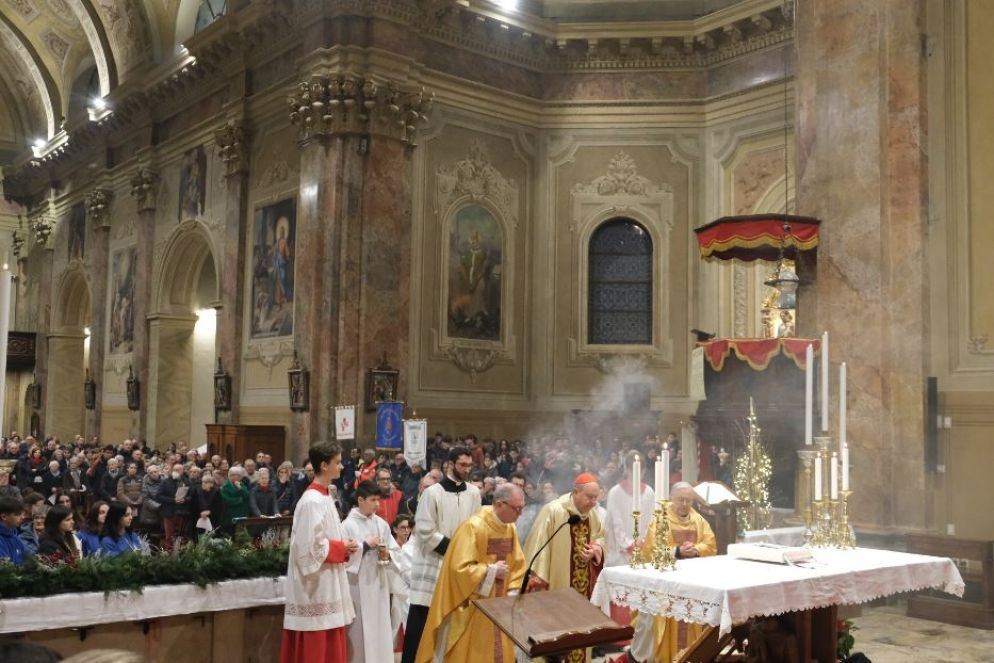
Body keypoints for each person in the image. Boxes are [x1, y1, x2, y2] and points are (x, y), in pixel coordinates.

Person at [415, 483, 527, 663]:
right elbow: (458, 570)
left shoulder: (510, 528)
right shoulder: (473, 527)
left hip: (501, 606)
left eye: (522, 508)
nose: (520, 514)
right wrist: (489, 571)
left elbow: (518, 564)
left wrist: (513, 589)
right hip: (475, 608)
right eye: (517, 509)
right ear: (500, 504)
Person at [281, 441, 359, 663]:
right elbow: (307, 548)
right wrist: (340, 547)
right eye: (338, 462)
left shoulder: (325, 496)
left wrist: (344, 545)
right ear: (324, 466)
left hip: (327, 580)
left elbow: (325, 536)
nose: (342, 467)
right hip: (315, 586)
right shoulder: (311, 501)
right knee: (317, 645)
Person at [401, 447, 481, 663]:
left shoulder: (474, 493)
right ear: (451, 464)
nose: (466, 469)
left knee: (451, 620)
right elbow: (425, 530)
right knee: (423, 619)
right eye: (462, 464)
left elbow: (476, 526)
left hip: (458, 565)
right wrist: (454, 549)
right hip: (433, 562)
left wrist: (464, 553)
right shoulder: (432, 493)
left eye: (469, 465)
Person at [628, 482, 717, 663]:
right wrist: (677, 551)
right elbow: (651, 551)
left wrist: (696, 549)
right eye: (681, 499)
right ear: (671, 499)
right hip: (666, 586)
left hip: (690, 586)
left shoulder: (698, 520)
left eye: (689, 500)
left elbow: (711, 546)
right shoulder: (660, 520)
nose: (685, 504)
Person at [522, 473, 606, 663]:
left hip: (583, 592)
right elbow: (538, 547)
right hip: (557, 590)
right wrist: (539, 581)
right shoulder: (553, 511)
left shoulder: (592, 514)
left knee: (581, 635)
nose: (594, 502)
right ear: (576, 492)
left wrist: (596, 550)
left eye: (596, 497)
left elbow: (601, 537)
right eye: (590, 497)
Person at [342, 480, 400, 663]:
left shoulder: (381, 524)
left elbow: (396, 551)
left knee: (380, 628)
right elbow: (343, 557)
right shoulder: (347, 525)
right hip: (357, 587)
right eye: (373, 499)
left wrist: (387, 554)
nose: (377, 504)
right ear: (360, 500)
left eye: (378, 500)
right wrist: (366, 545)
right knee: (359, 632)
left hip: (378, 584)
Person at [605, 451, 656, 567]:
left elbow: (651, 521)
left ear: (643, 471)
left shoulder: (649, 492)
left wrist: (643, 542)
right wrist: (628, 545)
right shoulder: (615, 492)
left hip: (644, 549)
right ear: (626, 469)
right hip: (620, 552)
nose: (636, 473)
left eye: (640, 470)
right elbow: (615, 522)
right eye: (631, 470)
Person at [158, 463, 190, 550]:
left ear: (182, 471)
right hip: (169, 513)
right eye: (174, 470)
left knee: (181, 536)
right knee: (169, 536)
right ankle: (170, 556)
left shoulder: (187, 481)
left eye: (178, 470)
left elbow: (191, 495)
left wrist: (185, 499)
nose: (176, 472)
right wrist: (173, 500)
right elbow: (159, 496)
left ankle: (180, 554)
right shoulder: (165, 481)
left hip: (182, 512)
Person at [190, 473, 223, 538]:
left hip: (212, 519)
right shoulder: (197, 491)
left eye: (206, 482)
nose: (203, 484)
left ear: (211, 484)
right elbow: (192, 505)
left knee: (213, 536)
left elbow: (219, 506)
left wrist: (210, 512)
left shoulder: (216, 491)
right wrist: (200, 513)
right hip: (199, 518)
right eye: (203, 482)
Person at [220, 466, 250, 534]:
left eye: (238, 475)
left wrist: (240, 489)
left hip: (242, 515)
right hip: (230, 517)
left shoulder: (242, 485)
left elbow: (247, 496)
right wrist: (240, 500)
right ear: (229, 476)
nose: (236, 477)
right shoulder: (225, 487)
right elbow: (227, 500)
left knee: (241, 537)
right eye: (233, 475)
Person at [0, 496, 27, 564]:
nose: (22, 517)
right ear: (4, 516)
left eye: (22, 514)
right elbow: (5, 570)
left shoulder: (16, 538)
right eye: (17, 514)